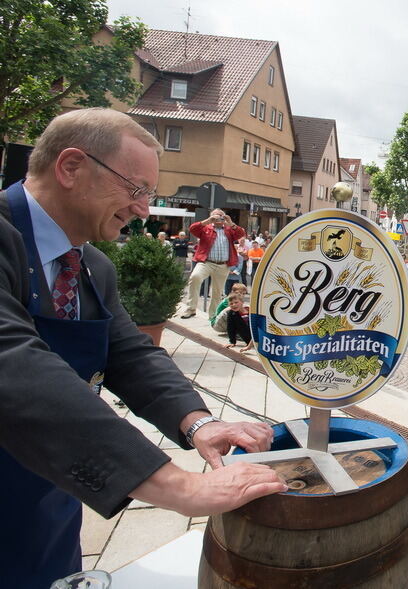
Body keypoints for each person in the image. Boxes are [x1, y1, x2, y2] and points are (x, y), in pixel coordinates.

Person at [0, 108, 285, 587]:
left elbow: (129, 353)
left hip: (50, 508)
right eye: (135, 189)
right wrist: (184, 487)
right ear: (71, 167)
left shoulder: (93, 265)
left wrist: (199, 422)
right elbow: (18, 371)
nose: (143, 209)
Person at [180, 208, 246, 318]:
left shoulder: (229, 230)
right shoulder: (206, 228)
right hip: (206, 262)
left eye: (220, 216)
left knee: (217, 291)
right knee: (195, 277)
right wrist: (208, 221)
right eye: (215, 216)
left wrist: (231, 223)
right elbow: (192, 229)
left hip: (223, 264)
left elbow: (241, 233)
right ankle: (191, 308)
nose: (218, 219)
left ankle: (213, 315)